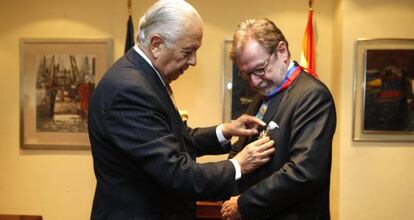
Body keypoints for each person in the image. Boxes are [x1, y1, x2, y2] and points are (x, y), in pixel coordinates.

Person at [88, 1, 275, 220]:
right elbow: (176, 173)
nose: (193, 61)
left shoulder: (145, 78)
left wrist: (225, 130)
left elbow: (175, 140)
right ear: (156, 44)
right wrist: (238, 164)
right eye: (188, 51)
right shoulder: (129, 89)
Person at [221, 18, 337, 220]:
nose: (254, 81)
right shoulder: (261, 98)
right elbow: (240, 150)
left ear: (282, 51)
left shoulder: (312, 96)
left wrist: (243, 203)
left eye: (259, 69)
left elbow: (303, 173)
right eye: (246, 74)